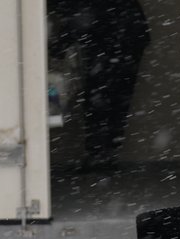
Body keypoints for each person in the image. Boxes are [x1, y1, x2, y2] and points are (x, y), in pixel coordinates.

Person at [48, 0, 149, 167]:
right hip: (126, 33)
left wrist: (58, 46)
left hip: (115, 35)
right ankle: (107, 150)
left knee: (99, 95)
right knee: (116, 95)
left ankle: (99, 152)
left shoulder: (81, 10)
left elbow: (79, 19)